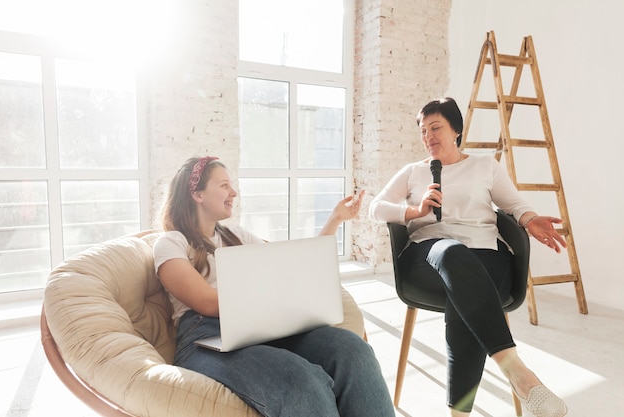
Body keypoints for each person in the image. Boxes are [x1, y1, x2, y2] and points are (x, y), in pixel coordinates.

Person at [369, 97, 568, 417]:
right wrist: (416, 210)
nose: (428, 136)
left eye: (435, 128)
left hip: (485, 254)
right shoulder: (413, 172)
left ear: (456, 130)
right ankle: (517, 371)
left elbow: (514, 204)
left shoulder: (485, 165)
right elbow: (375, 208)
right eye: (422, 131)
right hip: (430, 255)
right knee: (453, 253)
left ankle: (458, 414)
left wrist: (530, 220)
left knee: (465, 292)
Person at [153, 155, 395, 417]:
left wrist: (335, 219)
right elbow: (208, 303)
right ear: (197, 194)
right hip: (205, 339)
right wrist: (270, 292)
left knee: (354, 350)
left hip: (263, 327)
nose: (233, 192)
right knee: (302, 381)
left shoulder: (238, 236)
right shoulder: (170, 244)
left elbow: (293, 267)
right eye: (223, 185)